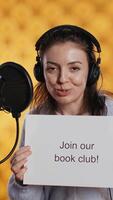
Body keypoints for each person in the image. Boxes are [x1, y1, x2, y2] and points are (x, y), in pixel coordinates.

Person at [8, 25, 113, 200]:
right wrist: (22, 181)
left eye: (74, 68)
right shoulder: (36, 121)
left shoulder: (110, 114)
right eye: (52, 69)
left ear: (92, 72)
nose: (62, 79)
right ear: (41, 72)